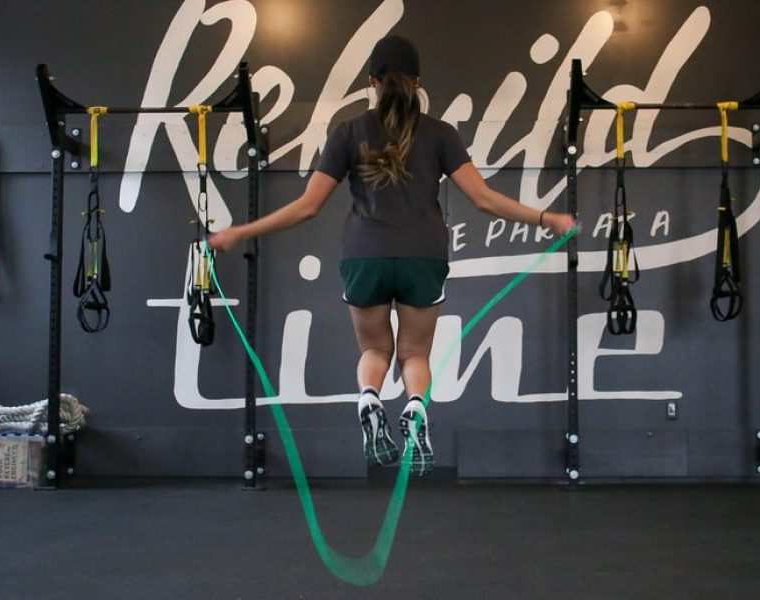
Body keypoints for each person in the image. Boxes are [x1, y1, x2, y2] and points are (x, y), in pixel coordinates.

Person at [209, 35, 577, 476]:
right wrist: (546, 218)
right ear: (417, 83)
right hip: (423, 255)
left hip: (365, 256)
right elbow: (483, 199)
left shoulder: (348, 132)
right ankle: (415, 409)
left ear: (371, 82)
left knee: (374, 349)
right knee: (415, 354)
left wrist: (240, 231)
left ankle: (369, 399)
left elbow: (307, 207)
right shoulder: (440, 133)